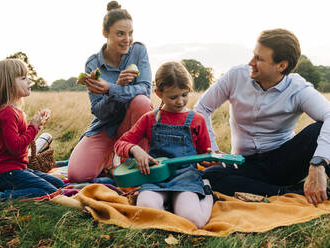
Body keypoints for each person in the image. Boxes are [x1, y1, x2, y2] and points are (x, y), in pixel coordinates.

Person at [194, 28, 330, 206]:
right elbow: (202, 108)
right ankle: (287, 192)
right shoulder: (236, 76)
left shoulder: (298, 88)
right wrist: (210, 148)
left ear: (281, 66)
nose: (251, 62)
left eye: (259, 59)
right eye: (253, 55)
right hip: (244, 163)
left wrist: (318, 164)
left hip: (284, 162)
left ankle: (298, 183)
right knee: (209, 177)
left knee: (318, 130)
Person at [114, 61, 214, 228]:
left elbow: (204, 156)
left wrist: (210, 159)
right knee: (145, 213)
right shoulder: (150, 118)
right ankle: (169, 205)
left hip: (185, 178)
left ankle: (207, 192)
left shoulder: (197, 120)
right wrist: (135, 149)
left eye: (184, 94)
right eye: (173, 97)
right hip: (155, 179)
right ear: (158, 93)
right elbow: (120, 144)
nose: (180, 101)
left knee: (193, 221)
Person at [68, 1, 153, 182]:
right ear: (105, 33)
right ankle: (110, 159)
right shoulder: (93, 64)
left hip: (134, 125)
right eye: (120, 34)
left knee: (141, 102)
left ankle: (137, 164)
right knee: (77, 175)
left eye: (130, 33)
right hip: (106, 126)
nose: (127, 39)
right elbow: (98, 111)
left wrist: (111, 88)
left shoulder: (138, 51)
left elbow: (146, 90)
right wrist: (114, 90)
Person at [0, 58, 64, 202]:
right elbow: (16, 148)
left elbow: (21, 138)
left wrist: (36, 125)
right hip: (7, 173)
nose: (29, 81)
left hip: (19, 169)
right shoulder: (7, 113)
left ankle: (8, 191)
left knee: (59, 184)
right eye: (23, 78)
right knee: (51, 191)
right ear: (9, 84)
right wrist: (33, 127)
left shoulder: (15, 110)